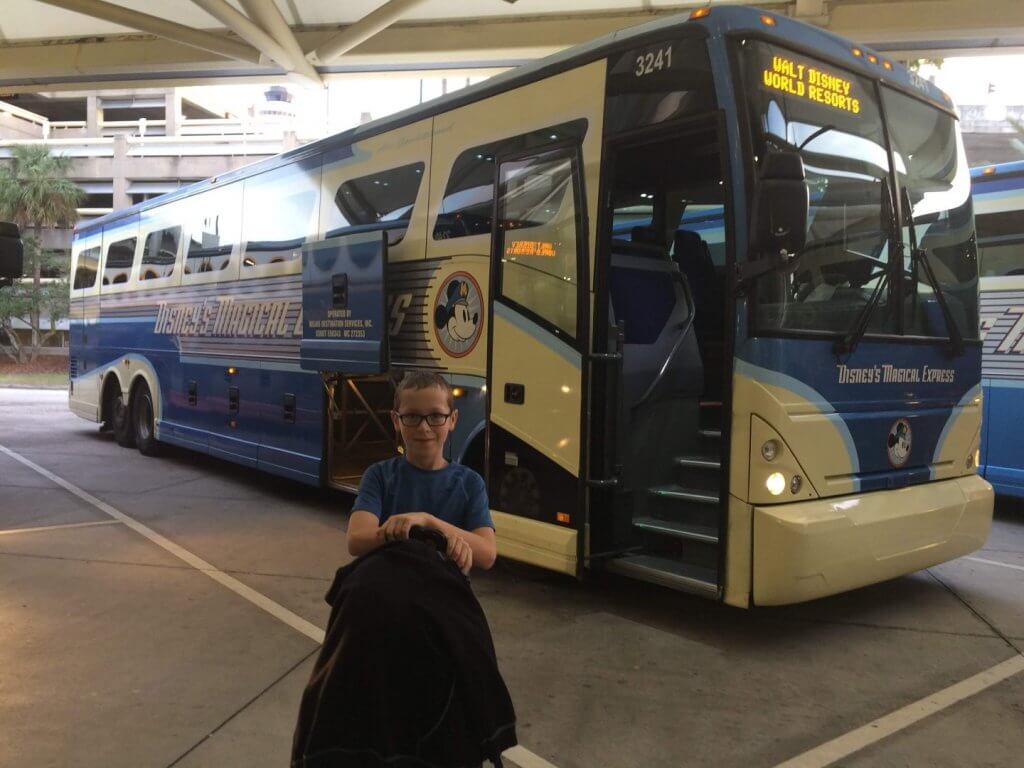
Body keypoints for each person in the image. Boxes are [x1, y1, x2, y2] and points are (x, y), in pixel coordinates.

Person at [346, 370, 497, 575]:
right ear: (395, 420)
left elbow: (487, 554)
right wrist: (408, 532)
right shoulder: (378, 476)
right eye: (412, 416)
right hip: (387, 593)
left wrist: (427, 522)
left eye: (435, 416)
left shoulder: (470, 483)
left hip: (445, 596)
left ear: (453, 419)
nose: (424, 427)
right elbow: (356, 540)